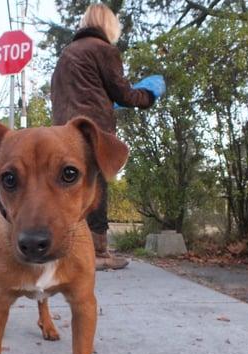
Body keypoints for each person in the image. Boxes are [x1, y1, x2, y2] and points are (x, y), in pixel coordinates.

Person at [51, 3, 165, 270]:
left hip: (63, 132)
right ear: (109, 25)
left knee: (71, 190)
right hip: (93, 130)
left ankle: (69, 249)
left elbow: (64, 94)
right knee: (97, 187)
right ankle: (98, 253)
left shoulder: (67, 54)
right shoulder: (103, 50)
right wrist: (149, 94)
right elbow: (123, 93)